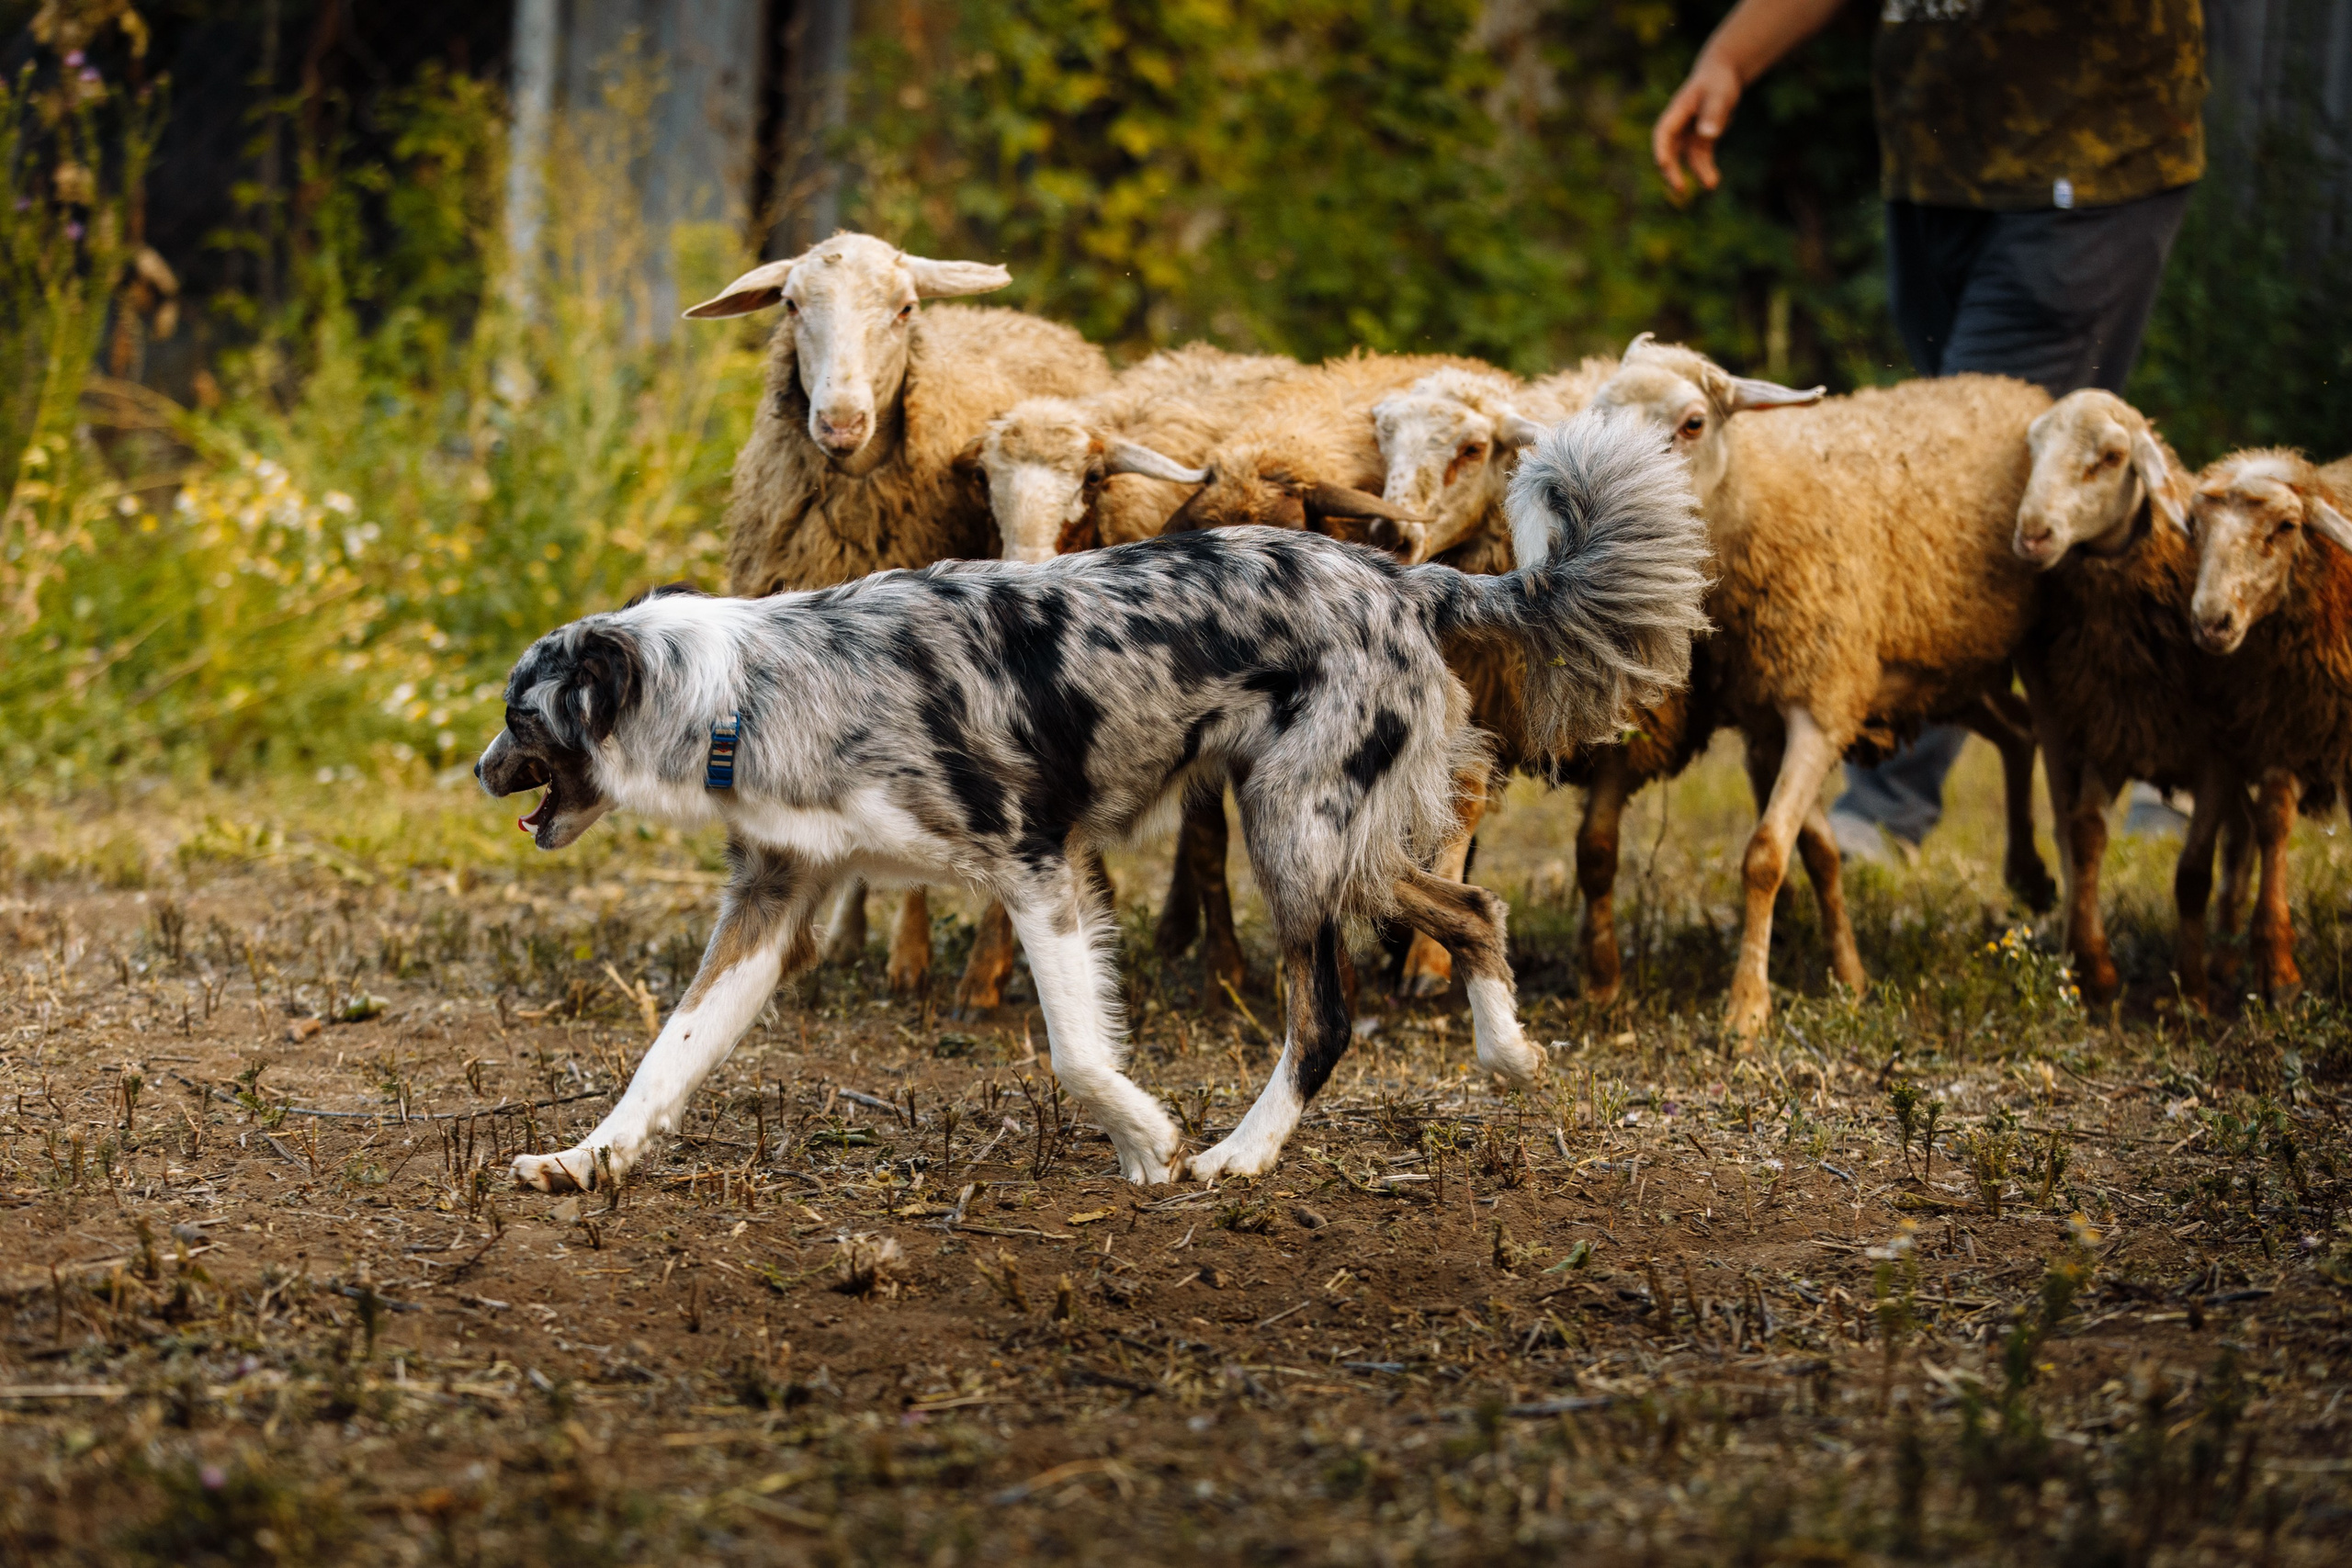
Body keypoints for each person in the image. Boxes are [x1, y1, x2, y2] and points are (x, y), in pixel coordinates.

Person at [1653, 0, 2208, 861]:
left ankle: (1887, 803)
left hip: (2085, 156)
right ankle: (2178, 739)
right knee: (1991, 475)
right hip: (1936, 167)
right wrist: (1731, 56)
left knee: (1984, 478)